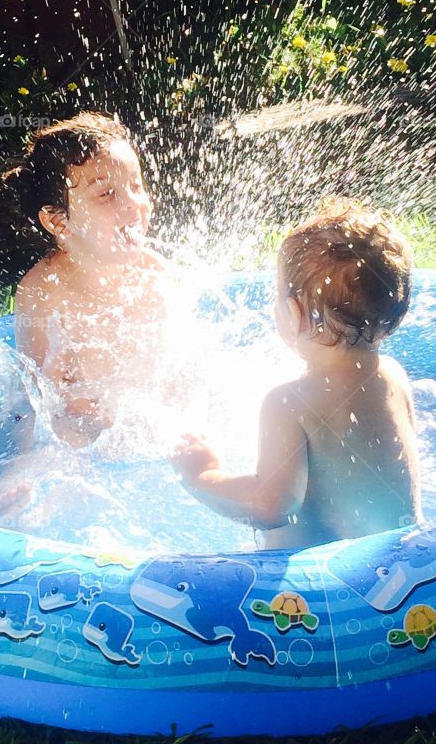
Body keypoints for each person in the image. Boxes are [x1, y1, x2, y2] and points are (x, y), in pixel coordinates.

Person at [172, 195, 422, 549]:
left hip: (325, 591)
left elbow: (271, 507)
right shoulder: (393, 376)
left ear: (293, 313)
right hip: (402, 563)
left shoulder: (288, 402)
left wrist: (201, 475)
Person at [0, 110, 172, 525]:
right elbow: (35, 395)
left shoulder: (154, 273)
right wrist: (76, 417)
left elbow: (174, 366)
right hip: (75, 435)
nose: (132, 205)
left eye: (136, 186)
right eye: (107, 194)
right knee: (44, 463)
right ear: (58, 220)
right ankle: (20, 498)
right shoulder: (42, 291)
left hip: (137, 427)